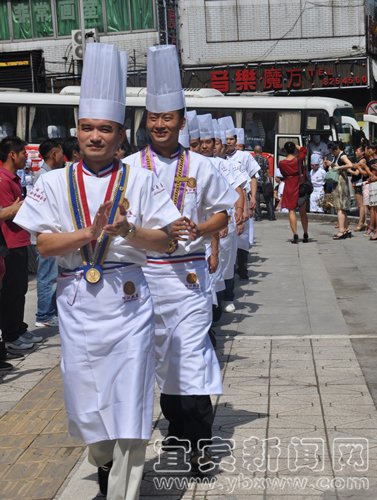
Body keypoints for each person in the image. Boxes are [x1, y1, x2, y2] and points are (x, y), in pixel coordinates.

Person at [15, 43, 180, 500]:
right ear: (77, 130)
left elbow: (167, 240)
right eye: (87, 127)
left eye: (104, 129)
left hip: (129, 302)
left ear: (119, 134)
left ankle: (123, 490)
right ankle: (102, 458)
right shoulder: (52, 182)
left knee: (130, 401)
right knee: (86, 402)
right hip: (76, 302)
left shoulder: (142, 180)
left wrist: (128, 228)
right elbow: (44, 244)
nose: (94, 137)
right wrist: (90, 232)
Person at [125, 45, 238, 466]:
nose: (159, 124)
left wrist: (200, 229)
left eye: (167, 118)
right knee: (162, 358)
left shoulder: (201, 166)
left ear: (179, 122)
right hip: (146, 275)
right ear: (147, 122)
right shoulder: (132, 167)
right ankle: (175, 431)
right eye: (153, 118)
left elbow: (222, 215)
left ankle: (200, 441)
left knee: (192, 355)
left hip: (188, 277)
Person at [0, 136, 40, 351]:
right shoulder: (3, 180)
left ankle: (19, 328)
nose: (27, 156)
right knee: (12, 291)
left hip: (20, 240)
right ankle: (11, 335)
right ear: (12, 155)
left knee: (20, 289)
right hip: (10, 243)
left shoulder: (13, 178)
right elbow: (9, 212)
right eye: (23, 153)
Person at [218, 116, 260, 280]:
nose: (228, 142)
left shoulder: (244, 156)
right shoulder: (219, 159)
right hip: (225, 203)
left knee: (242, 237)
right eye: (225, 139)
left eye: (230, 139)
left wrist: (253, 197)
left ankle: (242, 267)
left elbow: (252, 178)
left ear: (235, 141)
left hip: (242, 199)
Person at [34, 139, 66, 328]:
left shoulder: (52, 175)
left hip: (55, 234)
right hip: (47, 234)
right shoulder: (43, 177)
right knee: (47, 275)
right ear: (54, 153)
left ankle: (49, 312)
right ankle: (44, 315)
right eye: (61, 152)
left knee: (52, 274)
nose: (64, 156)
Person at [278, 142, 309, 243]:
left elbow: (283, 174)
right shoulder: (299, 159)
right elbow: (304, 150)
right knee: (303, 212)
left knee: (291, 211)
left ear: (285, 151)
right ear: (294, 150)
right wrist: (296, 145)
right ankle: (305, 233)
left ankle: (295, 234)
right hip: (300, 185)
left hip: (289, 185)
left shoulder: (282, 163)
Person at [324, 142, 353, 240]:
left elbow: (350, 164)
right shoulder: (338, 156)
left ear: (336, 149)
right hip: (339, 182)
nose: (331, 152)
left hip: (341, 183)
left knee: (339, 207)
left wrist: (338, 167)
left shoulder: (342, 156)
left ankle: (341, 230)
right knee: (342, 208)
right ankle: (346, 229)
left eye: (332, 150)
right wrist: (331, 164)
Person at [253, 145, 275, 221]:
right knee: (268, 199)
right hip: (264, 182)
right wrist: (271, 182)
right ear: (261, 151)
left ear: (254, 152)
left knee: (256, 199)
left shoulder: (251, 159)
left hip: (255, 182)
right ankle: (271, 216)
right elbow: (268, 172)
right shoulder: (265, 159)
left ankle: (258, 217)